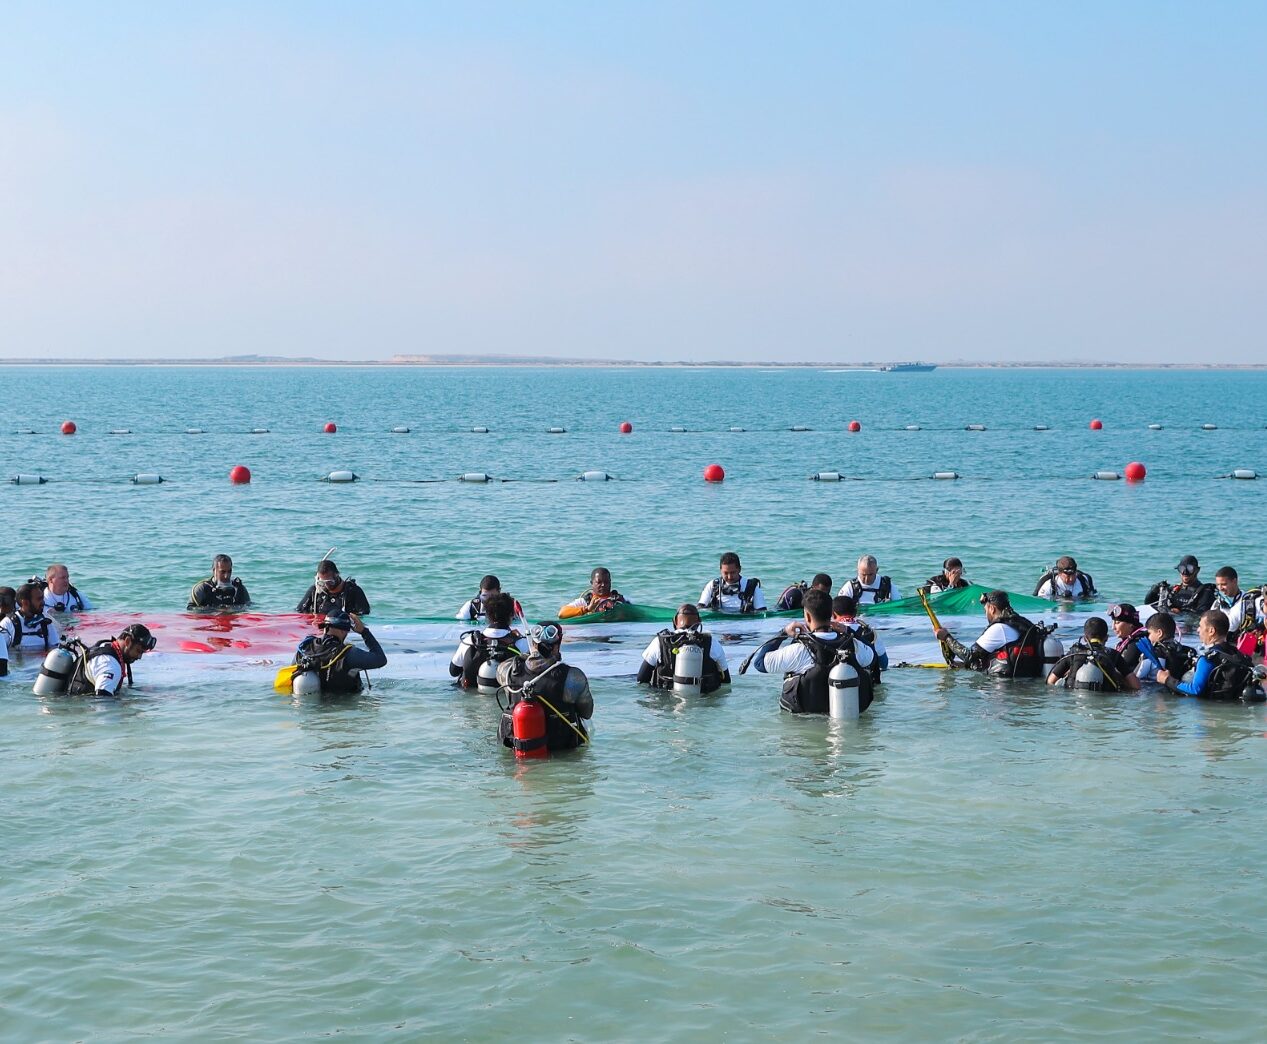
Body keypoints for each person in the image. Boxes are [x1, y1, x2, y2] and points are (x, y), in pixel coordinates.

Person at [750, 589, 876, 714]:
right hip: (847, 714)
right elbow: (873, 656)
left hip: (807, 720)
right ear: (831, 614)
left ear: (808, 616)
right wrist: (850, 632)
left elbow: (759, 663)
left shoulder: (799, 649)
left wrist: (783, 633)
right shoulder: (853, 645)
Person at [497, 622, 593, 753]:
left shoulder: (507, 670)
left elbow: (509, 670)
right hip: (560, 750)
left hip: (518, 749)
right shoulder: (572, 677)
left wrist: (528, 655)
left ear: (532, 643)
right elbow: (587, 713)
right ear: (557, 646)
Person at [934, 590, 1044, 678]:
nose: (986, 614)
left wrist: (946, 637)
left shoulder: (999, 628)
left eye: (985, 610)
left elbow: (969, 655)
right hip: (1025, 679)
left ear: (992, 609)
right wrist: (966, 665)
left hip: (1003, 687)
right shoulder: (1020, 623)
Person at [1157, 610, 1259, 701]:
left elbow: (1195, 690)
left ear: (1211, 631)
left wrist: (1167, 680)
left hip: (1213, 711)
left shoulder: (1207, 660)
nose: (1198, 630)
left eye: (1200, 626)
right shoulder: (1239, 655)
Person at [637, 603, 730, 693]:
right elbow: (726, 680)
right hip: (703, 698)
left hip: (667, 698)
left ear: (674, 621)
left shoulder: (660, 642)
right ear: (699, 622)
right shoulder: (712, 643)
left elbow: (641, 679)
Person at [291, 611, 387, 694]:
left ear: (325, 627)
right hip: (343, 706)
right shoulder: (349, 654)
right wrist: (364, 632)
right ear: (342, 631)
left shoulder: (305, 648)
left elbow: (290, 674)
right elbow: (381, 659)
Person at [450, 592, 528, 688]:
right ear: (512, 615)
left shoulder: (470, 641)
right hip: (507, 693)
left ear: (486, 614)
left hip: (472, 693)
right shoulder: (522, 643)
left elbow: (453, 671)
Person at [1046, 617, 1139, 692]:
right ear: (1106, 638)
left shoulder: (1073, 653)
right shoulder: (1113, 655)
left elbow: (1051, 681)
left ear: (1085, 638)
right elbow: (1136, 686)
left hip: (1075, 701)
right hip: (1105, 701)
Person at [65, 623, 156, 697]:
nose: (139, 657)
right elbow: (103, 702)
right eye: (139, 651)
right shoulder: (110, 665)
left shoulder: (106, 646)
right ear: (128, 641)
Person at [831, 594, 887, 683]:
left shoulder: (830, 633)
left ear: (833, 614)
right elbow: (884, 664)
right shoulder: (870, 633)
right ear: (855, 613)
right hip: (866, 685)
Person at [1131, 611, 1196, 681]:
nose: (1148, 637)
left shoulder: (1152, 654)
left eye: (1149, 633)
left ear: (1159, 633)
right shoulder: (1185, 651)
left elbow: (1135, 679)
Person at [296, 559, 371, 618]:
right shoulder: (315, 591)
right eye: (322, 582)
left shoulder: (353, 591)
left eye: (330, 582)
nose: (326, 585)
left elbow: (364, 615)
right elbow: (299, 611)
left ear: (337, 575)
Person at [1143, 555, 1215, 615]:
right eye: (1182, 569)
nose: (1185, 572)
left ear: (1197, 570)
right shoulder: (1174, 590)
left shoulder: (1205, 593)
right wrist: (1153, 591)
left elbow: (1202, 615)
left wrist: (1180, 613)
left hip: (1189, 626)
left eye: (1190, 569)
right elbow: (1149, 604)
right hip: (1170, 623)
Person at [698, 552, 766, 614]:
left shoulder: (752, 587)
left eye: (733, 572)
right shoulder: (712, 585)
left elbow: (762, 612)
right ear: (720, 570)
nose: (729, 577)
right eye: (726, 573)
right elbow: (700, 609)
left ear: (739, 569)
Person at [1, 583, 61, 653]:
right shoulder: (8, 624)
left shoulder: (46, 622)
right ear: (25, 603)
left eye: (42, 598)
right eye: (39, 599)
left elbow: (55, 649)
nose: (43, 602)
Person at [559, 567, 629, 618]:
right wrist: (587, 609)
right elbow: (561, 614)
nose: (603, 585)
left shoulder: (622, 600)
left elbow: (634, 612)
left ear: (610, 582)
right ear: (592, 583)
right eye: (599, 582)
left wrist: (622, 609)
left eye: (606, 582)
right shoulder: (584, 602)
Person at [456, 574, 524, 623]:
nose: (489, 601)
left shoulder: (511, 605)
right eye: (485, 596)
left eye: (492, 596)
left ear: (499, 591)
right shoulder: (471, 607)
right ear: (480, 592)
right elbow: (460, 625)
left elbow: (520, 624)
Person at [1211, 566, 1256, 635]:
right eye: (1218, 585)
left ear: (1235, 581)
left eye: (1224, 584)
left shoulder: (1249, 602)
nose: (1220, 588)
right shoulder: (1217, 603)